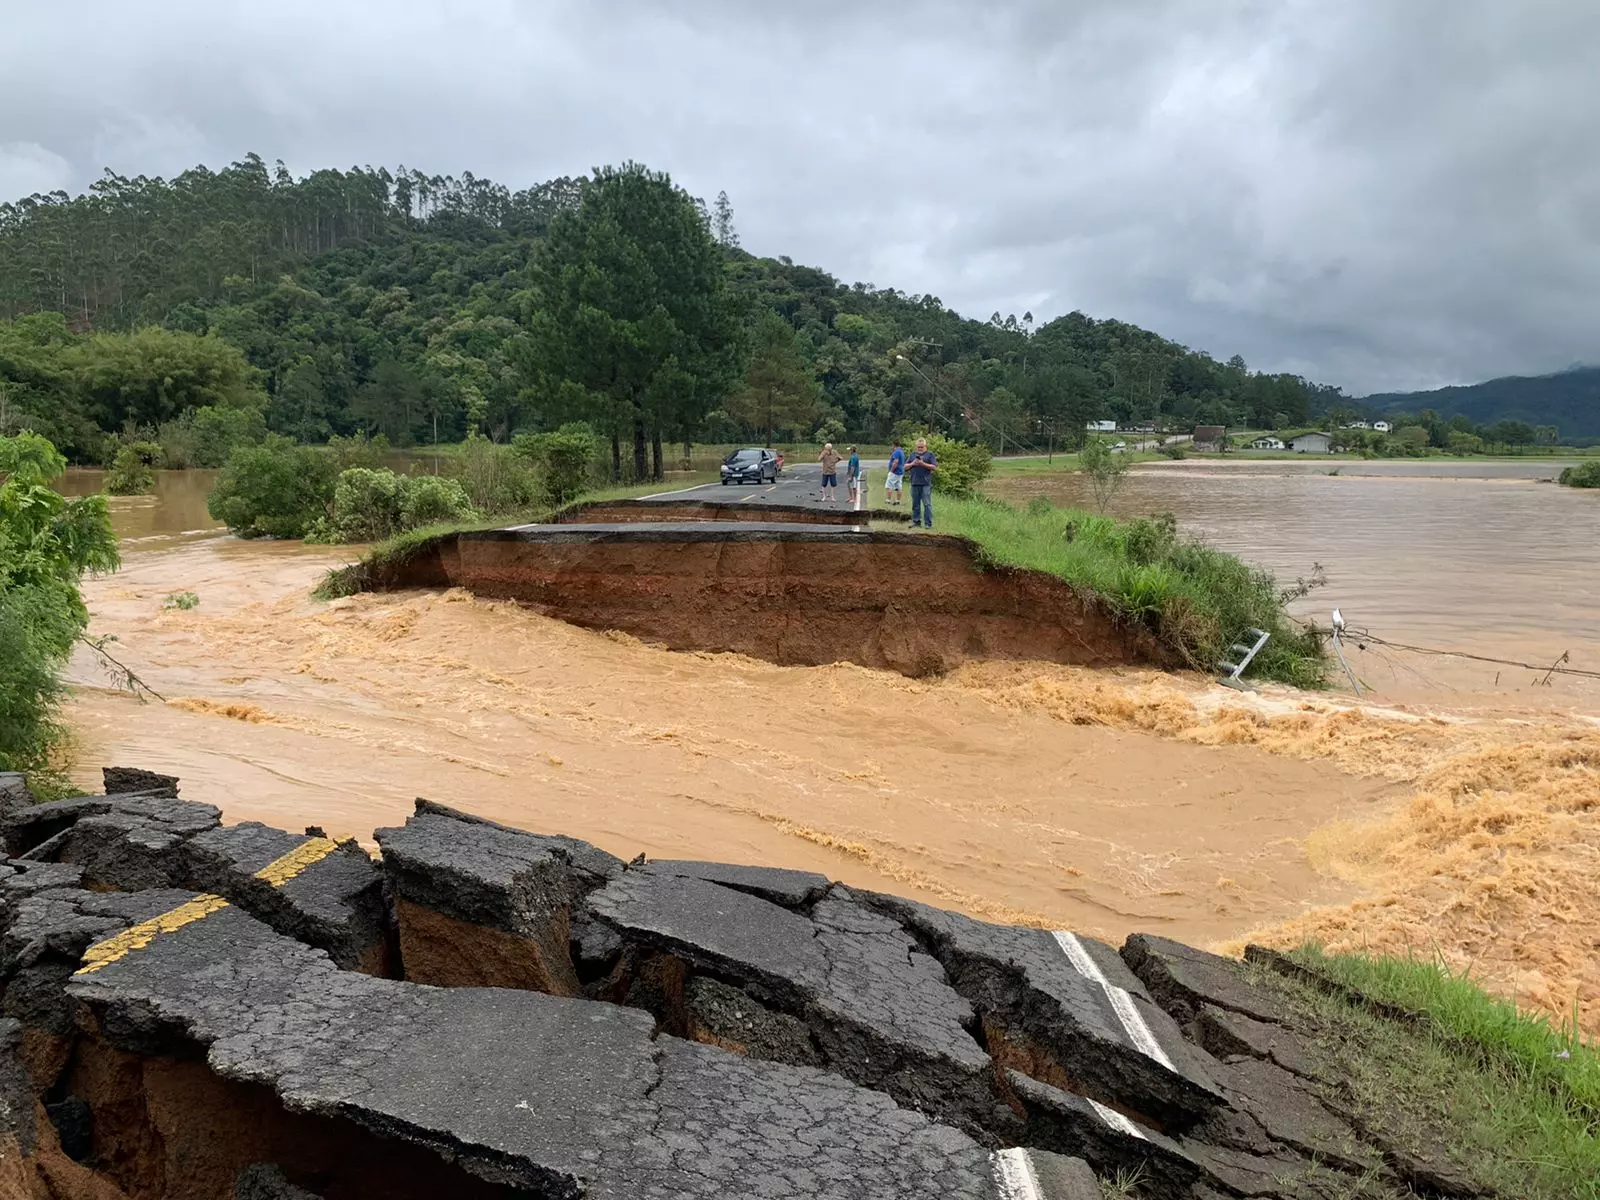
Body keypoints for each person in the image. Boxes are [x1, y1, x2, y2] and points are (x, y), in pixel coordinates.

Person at [904, 437, 938, 528]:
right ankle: (916, 522)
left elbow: (934, 467)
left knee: (927, 504)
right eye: (918, 447)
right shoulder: (912, 455)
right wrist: (912, 464)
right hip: (914, 482)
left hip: (925, 483)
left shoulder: (930, 455)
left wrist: (923, 464)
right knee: (915, 504)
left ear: (925, 446)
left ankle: (928, 524)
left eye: (922, 447)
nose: (920, 449)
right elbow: (905, 467)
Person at [884, 439, 905, 505]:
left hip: (895, 472)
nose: (892, 447)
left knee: (889, 485)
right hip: (900, 472)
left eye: (892, 445)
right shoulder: (901, 451)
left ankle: (888, 500)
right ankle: (897, 500)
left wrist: (891, 471)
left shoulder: (896, 452)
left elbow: (895, 462)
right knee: (899, 486)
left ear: (894, 445)